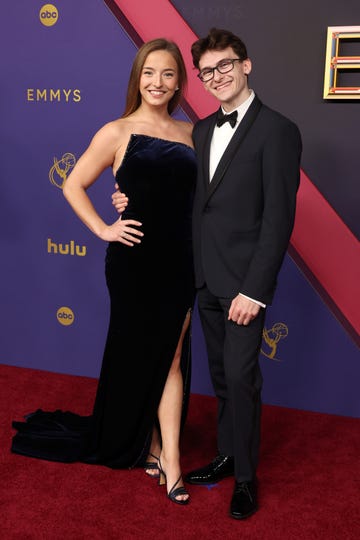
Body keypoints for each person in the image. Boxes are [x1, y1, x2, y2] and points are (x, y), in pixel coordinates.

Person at [114, 27, 302, 519]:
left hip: (245, 287)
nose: (217, 76)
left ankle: (245, 479)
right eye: (207, 71)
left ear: (246, 65)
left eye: (225, 65)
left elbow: (280, 220)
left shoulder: (278, 130)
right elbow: (182, 195)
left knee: (241, 378)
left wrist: (256, 292)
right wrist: (127, 196)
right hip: (203, 278)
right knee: (221, 376)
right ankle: (225, 455)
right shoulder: (199, 130)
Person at [11, 38, 197, 505]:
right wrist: (103, 227)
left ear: (179, 82)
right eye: (150, 72)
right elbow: (73, 183)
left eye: (168, 74)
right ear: (138, 77)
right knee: (140, 354)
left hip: (181, 259)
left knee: (172, 357)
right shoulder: (116, 131)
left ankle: (164, 452)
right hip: (134, 261)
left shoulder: (192, 133)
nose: (158, 82)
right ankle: (159, 452)